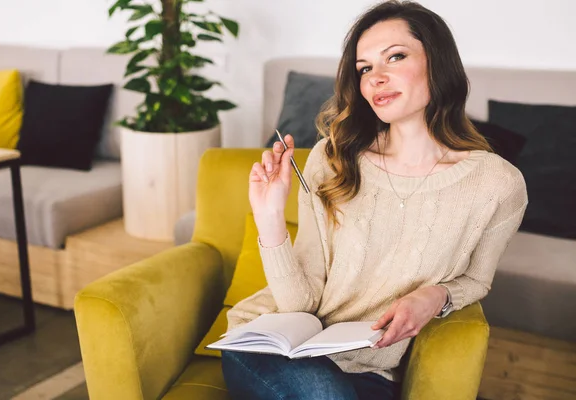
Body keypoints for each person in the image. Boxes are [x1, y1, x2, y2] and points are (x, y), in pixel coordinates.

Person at [222, 0, 528, 399]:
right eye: (365, 68)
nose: (375, 79)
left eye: (395, 57)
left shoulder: (498, 185)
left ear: (438, 63)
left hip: (371, 368)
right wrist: (269, 216)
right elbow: (301, 301)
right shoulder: (331, 160)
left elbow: (475, 280)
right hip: (271, 345)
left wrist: (435, 296)